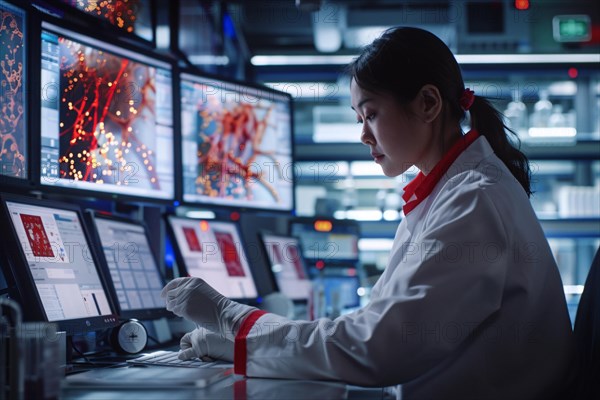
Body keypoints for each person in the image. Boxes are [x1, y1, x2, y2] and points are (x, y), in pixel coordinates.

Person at [161, 27, 573, 399]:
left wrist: (235, 323)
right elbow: (377, 334)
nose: (363, 135)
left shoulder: (474, 200)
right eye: (359, 118)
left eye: (371, 114)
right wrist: (243, 338)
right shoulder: (451, 191)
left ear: (428, 103)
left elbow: (378, 348)